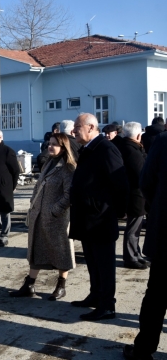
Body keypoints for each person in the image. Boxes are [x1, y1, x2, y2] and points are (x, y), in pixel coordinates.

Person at [69, 113, 129, 321]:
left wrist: (112, 211)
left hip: (100, 218)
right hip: (87, 217)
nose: (74, 130)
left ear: (92, 127)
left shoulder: (106, 149)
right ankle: (95, 296)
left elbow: (120, 184)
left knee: (104, 265)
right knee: (93, 262)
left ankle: (107, 306)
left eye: (78, 126)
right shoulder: (88, 148)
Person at [10, 133, 76, 300]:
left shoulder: (68, 167)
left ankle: (61, 286)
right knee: (36, 250)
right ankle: (29, 285)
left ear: (63, 147)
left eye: (54, 144)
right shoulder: (48, 163)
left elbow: (70, 194)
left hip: (57, 219)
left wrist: (55, 209)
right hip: (39, 215)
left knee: (62, 252)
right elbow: (38, 186)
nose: (50, 147)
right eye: (49, 144)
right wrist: (33, 205)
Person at [123, 131, 167, 360]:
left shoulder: (163, 141)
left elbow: (146, 182)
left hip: (165, 235)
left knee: (157, 296)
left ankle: (143, 350)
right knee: (156, 296)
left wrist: (157, 207)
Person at [117, 122, 149, 270]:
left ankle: (136, 254)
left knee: (135, 227)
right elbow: (140, 174)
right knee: (133, 228)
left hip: (134, 195)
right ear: (137, 135)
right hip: (135, 195)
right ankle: (131, 258)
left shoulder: (127, 147)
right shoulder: (132, 151)